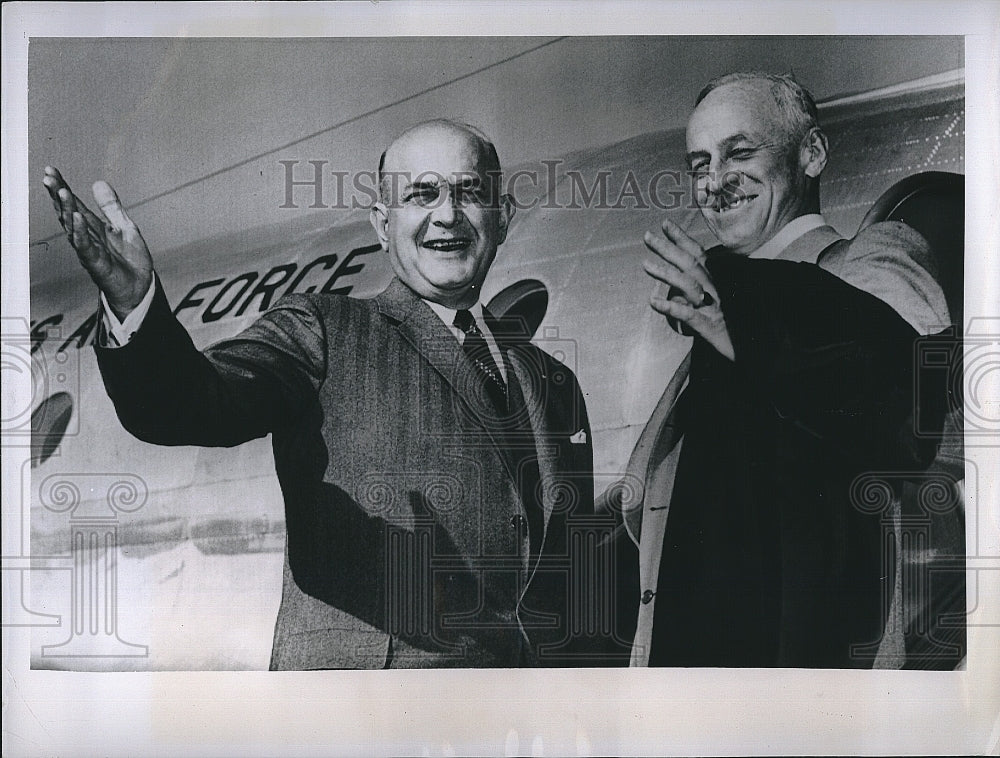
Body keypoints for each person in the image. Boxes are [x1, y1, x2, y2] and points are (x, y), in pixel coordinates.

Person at [42, 119, 605, 669]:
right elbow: (187, 403)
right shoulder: (324, 329)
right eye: (422, 193)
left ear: (501, 219)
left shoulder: (550, 381)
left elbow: (577, 577)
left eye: (470, 192)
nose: (448, 214)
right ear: (383, 225)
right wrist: (135, 304)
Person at [614, 72, 951, 668]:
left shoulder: (870, 260)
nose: (714, 182)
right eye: (698, 164)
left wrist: (737, 314)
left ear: (812, 153)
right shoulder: (719, 299)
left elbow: (907, 397)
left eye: (740, 153)